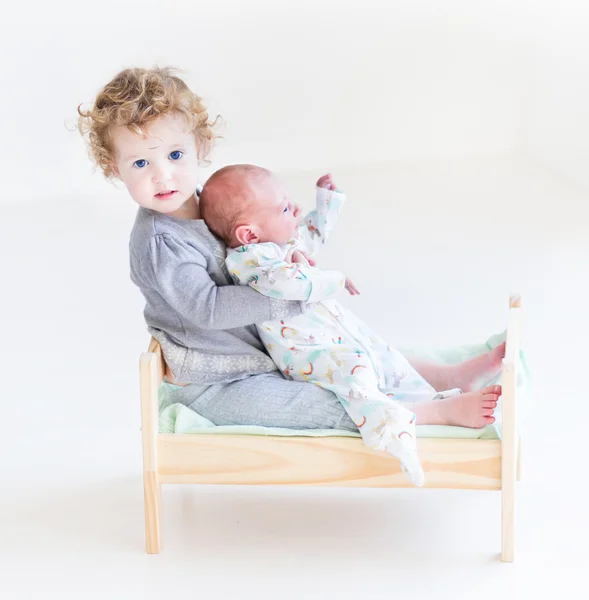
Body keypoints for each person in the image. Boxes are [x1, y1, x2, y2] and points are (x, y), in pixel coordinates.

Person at [77, 66, 504, 476]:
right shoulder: (160, 241)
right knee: (317, 405)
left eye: (174, 154)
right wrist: (293, 297)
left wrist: (296, 245)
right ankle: (434, 412)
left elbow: (258, 247)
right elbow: (205, 308)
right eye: (140, 164)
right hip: (221, 379)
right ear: (115, 169)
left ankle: (447, 375)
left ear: (198, 149)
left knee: (353, 349)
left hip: (267, 349)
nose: (163, 175)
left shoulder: (208, 200)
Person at [199, 164, 502, 485]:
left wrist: (326, 203)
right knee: (357, 375)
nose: (295, 210)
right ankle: (426, 415)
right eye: (285, 207)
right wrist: (334, 279)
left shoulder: (279, 243)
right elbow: (291, 283)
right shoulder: (251, 262)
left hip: (332, 330)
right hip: (307, 351)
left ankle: (445, 385)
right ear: (249, 234)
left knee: (378, 353)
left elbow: (309, 237)